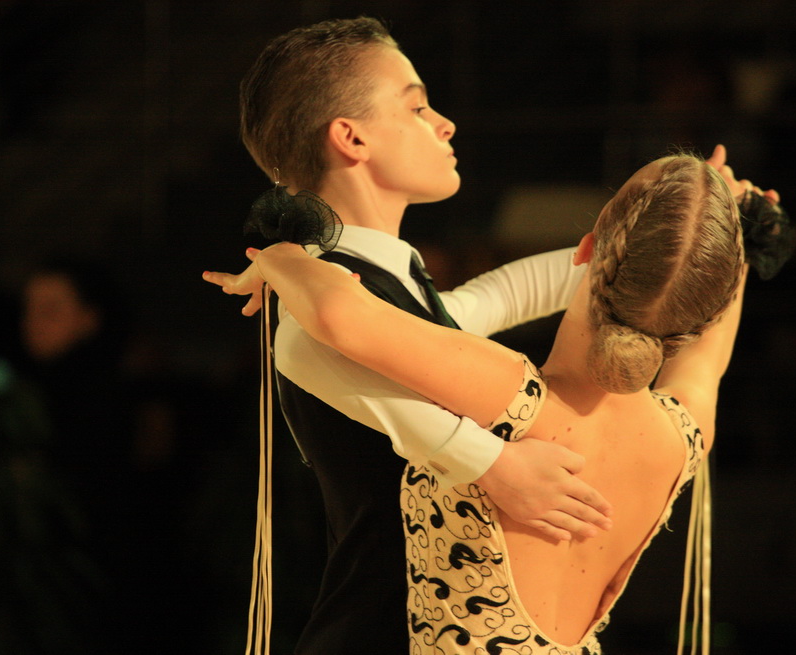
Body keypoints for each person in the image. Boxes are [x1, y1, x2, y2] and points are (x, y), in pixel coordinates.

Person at [206, 153, 777, 652]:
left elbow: (335, 316)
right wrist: (719, 229)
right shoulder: (683, 434)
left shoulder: (511, 396)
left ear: (584, 249)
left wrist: (279, 255)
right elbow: (708, 352)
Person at [225, 17, 615, 653]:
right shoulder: (320, 300)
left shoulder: (377, 285)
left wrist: (690, 220)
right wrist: (495, 464)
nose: (445, 123)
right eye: (417, 106)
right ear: (351, 137)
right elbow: (307, 343)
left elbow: (504, 295)